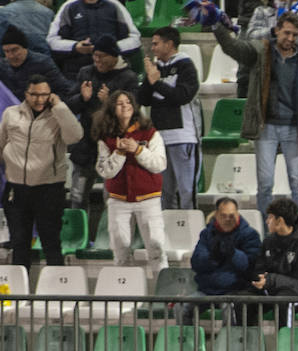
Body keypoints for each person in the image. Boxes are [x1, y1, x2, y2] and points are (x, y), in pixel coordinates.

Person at [213, 11, 298, 217]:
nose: (290, 39)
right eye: (286, 33)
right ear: (277, 30)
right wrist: (216, 27)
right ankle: (267, 229)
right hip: (267, 127)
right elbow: (233, 48)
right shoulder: (261, 52)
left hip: (294, 128)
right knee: (265, 184)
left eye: (295, 35)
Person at [0, 74, 82, 271]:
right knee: (19, 243)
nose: (39, 99)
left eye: (44, 94)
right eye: (34, 94)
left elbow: (75, 136)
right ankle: (20, 294)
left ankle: (56, 295)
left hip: (49, 188)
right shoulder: (11, 113)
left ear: (50, 95)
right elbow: (1, 142)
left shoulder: (58, 115)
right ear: (26, 94)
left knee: (51, 242)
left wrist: (60, 107)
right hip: (17, 188)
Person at [94, 89, 168, 279]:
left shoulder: (150, 133)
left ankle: (165, 296)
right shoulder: (106, 138)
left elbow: (160, 164)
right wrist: (118, 154)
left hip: (149, 198)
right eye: (119, 103)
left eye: (128, 102)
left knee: (156, 247)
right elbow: (105, 171)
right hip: (118, 200)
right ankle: (124, 295)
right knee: (120, 250)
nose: (125, 106)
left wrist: (137, 150)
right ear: (112, 109)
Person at [65, 35, 138, 219]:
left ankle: (109, 240)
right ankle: (78, 239)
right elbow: (69, 105)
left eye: (102, 56)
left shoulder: (128, 77)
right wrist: (83, 98)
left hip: (114, 145)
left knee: (112, 198)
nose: (97, 60)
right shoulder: (85, 73)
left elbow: (133, 111)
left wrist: (111, 102)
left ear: (114, 56)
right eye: (95, 56)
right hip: (86, 144)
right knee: (77, 195)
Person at [139, 27, 201, 212]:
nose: (153, 48)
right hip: (159, 139)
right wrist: (150, 80)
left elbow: (182, 96)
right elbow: (143, 99)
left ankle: (192, 235)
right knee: (163, 193)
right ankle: (169, 236)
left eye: (156, 43)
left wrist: (157, 83)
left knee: (186, 191)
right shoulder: (155, 68)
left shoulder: (185, 66)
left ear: (170, 44)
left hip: (183, 137)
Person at [247, 197, 298, 325]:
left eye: (270, 217)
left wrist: (271, 280)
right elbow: (259, 268)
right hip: (272, 289)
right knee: (242, 300)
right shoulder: (268, 241)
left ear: (280, 221)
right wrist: (260, 279)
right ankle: (248, 342)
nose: (267, 221)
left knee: (284, 300)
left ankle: (285, 343)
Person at [190, 198, 263, 324]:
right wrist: (213, 258)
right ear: (216, 215)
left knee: (231, 311)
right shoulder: (207, 234)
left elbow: (251, 266)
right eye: (224, 216)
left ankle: (228, 344)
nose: (228, 219)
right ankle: (187, 343)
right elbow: (196, 262)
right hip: (207, 290)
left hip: (234, 290)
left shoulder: (250, 235)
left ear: (237, 214)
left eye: (231, 215)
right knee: (182, 308)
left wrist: (233, 253)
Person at [45, 0, 139, 80]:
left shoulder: (115, 5)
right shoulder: (69, 6)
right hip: (76, 75)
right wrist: (75, 47)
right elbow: (52, 40)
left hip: (113, 74)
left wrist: (111, 49)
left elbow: (134, 39)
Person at [1, 24, 72, 101]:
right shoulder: (3, 66)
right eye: (6, 51)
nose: (11, 56)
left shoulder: (43, 63)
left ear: (25, 48)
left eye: (15, 50)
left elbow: (64, 90)